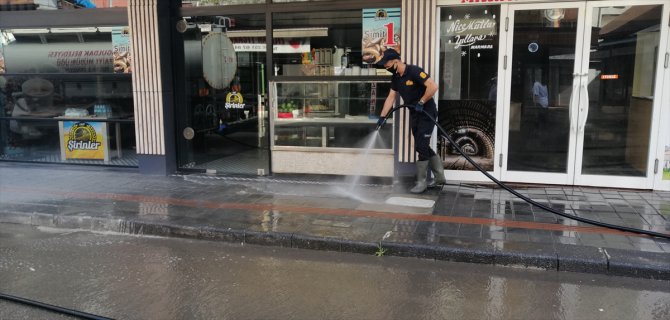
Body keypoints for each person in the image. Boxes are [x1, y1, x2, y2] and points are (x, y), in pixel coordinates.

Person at [376, 49, 446, 193]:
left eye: (387, 64)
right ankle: (440, 177)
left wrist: (421, 102)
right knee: (422, 144)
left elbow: (433, 86)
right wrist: (382, 117)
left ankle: (421, 182)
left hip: (427, 112)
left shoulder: (414, 71)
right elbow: (390, 97)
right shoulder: (396, 78)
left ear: (395, 61)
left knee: (421, 144)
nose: (385, 67)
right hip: (415, 113)